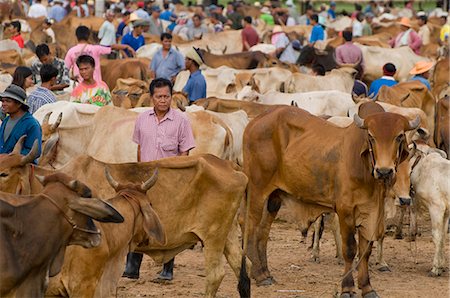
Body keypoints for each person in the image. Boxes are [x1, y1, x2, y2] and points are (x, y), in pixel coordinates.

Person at [124, 77, 195, 281]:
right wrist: (139, 173)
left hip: (168, 179)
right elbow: (139, 147)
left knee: (166, 221)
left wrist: (177, 178)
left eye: (166, 96)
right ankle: (132, 267)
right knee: (138, 218)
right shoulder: (142, 119)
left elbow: (185, 151)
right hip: (144, 179)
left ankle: (167, 269)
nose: (163, 100)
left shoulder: (181, 120)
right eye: (159, 96)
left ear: (172, 97)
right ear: (151, 98)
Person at [65, 26, 134, 82]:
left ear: (76, 36)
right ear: (89, 36)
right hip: (96, 85)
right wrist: (126, 46)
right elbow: (112, 47)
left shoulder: (71, 51)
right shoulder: (96, 49)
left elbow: (65, 68)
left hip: (79, 86)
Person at [0, 84, 42, 163]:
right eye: (3, 101)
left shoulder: (31, 124)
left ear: (19, 104)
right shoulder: (6, 120)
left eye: (8, 101)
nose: (3, 104)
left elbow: (35, 152)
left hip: (20, 171)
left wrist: (10, 158)